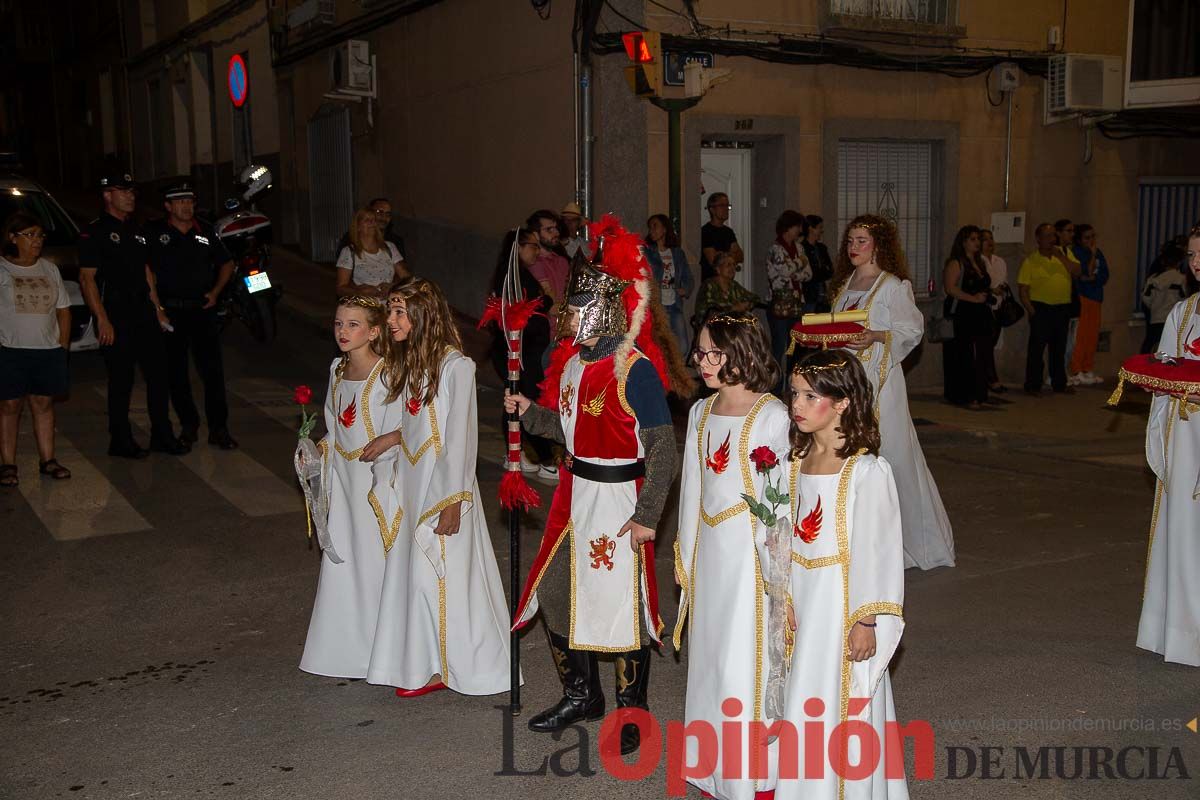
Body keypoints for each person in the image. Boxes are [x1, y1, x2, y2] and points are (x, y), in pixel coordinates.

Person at [508, 216, 678, 756]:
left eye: (577, 310)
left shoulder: (636, 370)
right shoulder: (577, 365)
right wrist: (530, 412)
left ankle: (634, 709)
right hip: (572, 497)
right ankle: (581, 693)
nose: (567, 317)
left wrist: (649, 515)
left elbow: (663, 451)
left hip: (619, 501)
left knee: (621, 606)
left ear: (604, 311)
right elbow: (571, 426)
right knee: (556, 594)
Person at [360, 276, 513, 695]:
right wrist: (391, 440)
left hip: (443, 488)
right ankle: (423, 660)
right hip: (412, 481)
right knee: (415, 574)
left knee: (443, 576)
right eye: (389, 311)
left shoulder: (456, 367)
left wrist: (450, 500)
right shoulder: (411, 363)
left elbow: (459, 437)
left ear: (421, 315)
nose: (390, 320)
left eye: (397, 312)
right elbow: (417, 425)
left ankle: (458, 665)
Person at [772, 349, 908, 799]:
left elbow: (878, 549)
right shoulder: (794, 464)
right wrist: (783, 591)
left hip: (842, 606)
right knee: (806, 701)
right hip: (804, 603)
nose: (797, 405)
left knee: (844, 705)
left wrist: (866, 620)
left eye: (811, 396)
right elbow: (783, 535)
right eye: (794, 394)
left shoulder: (867, 471)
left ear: (844, 402)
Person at [673, 312, 789, 800]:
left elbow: (781, 501)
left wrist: (779, 580)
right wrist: (687, 559)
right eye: (700, 352)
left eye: (714, 353)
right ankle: (712, 768)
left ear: (744, 353)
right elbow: (693, 491)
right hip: (711, 559)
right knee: (712, 659)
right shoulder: (701, 412)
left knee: (746, 660)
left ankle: (755, 775)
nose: (704, 362)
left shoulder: (772, 416)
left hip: (749, 562)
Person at [829, 215, 954, 570]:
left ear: (878, 246)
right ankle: (857, 541)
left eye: (861, 241)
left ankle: (913, 545)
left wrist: (876, 336)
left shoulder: (892, 286)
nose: (853, 248)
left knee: (892, 456)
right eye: (850, 241)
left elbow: (911, 330)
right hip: (847, 381)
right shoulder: (846, 283)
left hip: (880, 382)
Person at [299, 295, 395, 679]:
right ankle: (346, 648)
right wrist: (316, 451)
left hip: (375, 481)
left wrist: (389, 442)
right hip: (344, 480)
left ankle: (383, 648)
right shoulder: (337, 369)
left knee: (375, 562)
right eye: (339, 323)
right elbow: (336, 428)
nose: (343, 331)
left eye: (353, 325)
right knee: (346, 562)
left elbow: (412, 426)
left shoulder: (388, 373)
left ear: (374, 331)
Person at [77, 171, 188, 458]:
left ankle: (162, 435)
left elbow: (146, 272)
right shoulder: (96, 231)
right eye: (123, 191)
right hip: (116, 311)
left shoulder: (137, 231)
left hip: (143, 311)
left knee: (158, 375)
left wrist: (158, 310)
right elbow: (87, 278)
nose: (130, 196)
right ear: (107, 195)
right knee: (121, 380)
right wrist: (101, 318)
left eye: (132, 191)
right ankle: (120, 439)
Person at [1136, 224, 1200, 667]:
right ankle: (1182, 630)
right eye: (1193, 254)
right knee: (1183, 528)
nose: (1196, 262)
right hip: (1187, 435)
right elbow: (1167, 368)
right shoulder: (1183, 312)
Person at [144, 182, 238, 449]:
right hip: (172, 312)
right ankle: (189, 425)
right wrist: (157, 307)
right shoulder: (155, 232)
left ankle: (219, 429)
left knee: (212, 373)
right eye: (180, 202)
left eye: (190, 201)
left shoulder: (205, 231)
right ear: (168, 206)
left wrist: (216, 292)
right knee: (176, 373)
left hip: (202, 311)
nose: (187, 206)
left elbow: (227, 263)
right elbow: (145, 268)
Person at [0, 212, 72, 486]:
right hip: (10, 349)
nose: (36, 241)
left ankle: (48, 459)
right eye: (29, 235)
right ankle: (8, 464)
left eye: (40, 235)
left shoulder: (49, 269)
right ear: (12, 238)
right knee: (9, 405)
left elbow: (63, 310)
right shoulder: (2, 269)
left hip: (46, 349)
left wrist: (62, 347)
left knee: (43, 404)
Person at [487, 226, 558, 483]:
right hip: (519, 352)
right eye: (533, 246)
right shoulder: (512, 277)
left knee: (517, 399)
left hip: (527, 350)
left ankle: (515, 453)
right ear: (517, 247)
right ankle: (546, 458)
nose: (537, 251)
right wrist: (546, 301)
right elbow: (529, 309)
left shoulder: (520, 274)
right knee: (525, 400)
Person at [1018, 223, 1076, 395]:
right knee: (1037, 349)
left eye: (1053, 236)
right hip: (1041, 308)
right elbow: (1023, 289)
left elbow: (1078, 271)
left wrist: (1062, 257)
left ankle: (1059, 383)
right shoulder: (1031, 260)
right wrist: (1031, 310)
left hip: (1062, 307)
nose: (1051, 239)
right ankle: (1033, 384)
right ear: (1038, 238)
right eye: (1047, 236)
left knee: (1059, 348)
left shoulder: (1064, 254)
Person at [941, 225, 993, 409]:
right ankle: (963, 394)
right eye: (972, 239)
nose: (977, 243)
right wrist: (973, 298)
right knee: (963, 355)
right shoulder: (956, 262)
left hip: (979, 312)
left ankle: (979, 392)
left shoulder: (980, 263)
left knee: (981, 353)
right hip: (962, 312)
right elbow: (950, 288)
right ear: (963, 242)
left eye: (978, 239)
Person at [766, 210, 812, 379]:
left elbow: (808, 274)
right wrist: (800, 262)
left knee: (795, 346)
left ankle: (791, 382)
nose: (799, 230)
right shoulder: (775, 249)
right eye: (797, 226)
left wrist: (795, 270)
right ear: (788, 227)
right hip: (779, 304)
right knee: (779, 347)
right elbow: (785, 271)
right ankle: (775, 386)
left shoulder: (799, 247)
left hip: (796, 303)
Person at [644, 213, 694, 356]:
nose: (651, 230)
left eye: (655, 226)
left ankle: (674, 373)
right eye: (650, 228)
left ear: (664, 229)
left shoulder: (677, 253)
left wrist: (686, 289)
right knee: (658, 344)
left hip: (674, 304)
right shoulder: (648, 252)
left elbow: (688, 276)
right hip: (657, 305)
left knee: (683, 345)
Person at [1068, 224, 1109, 386]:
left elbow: (1104, 274)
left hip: (1096, 298)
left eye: (1093, 236)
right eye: (1087, 237)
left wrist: (1093, 278)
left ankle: (1087, 367)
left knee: (1092, 335)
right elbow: (1085, 273)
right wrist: (1091, 258)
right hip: (1083, 297)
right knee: (1081, 335)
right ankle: (1077, 369)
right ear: (1079, 239)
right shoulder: (1077, 252)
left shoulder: (1099, 253)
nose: (1091, 240)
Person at [335, 207, 407, 298]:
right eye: (367, 220)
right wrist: (360, 292)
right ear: (358, 227)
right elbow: (340, 288)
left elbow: (406, 277)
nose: (372, 223)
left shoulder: (389, 247)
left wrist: (393, 286)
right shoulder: (349, 252)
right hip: (365, 306)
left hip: (388, 305)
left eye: (374, 220)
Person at [1141, 241, 1188, 354]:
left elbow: (1146, 299)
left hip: (1155, 319)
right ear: (1179, 262)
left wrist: (1155, 307)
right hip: (1172, 321)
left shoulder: (1153, 279)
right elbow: (1185, 300)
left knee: (1149, 351)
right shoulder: (1181, 279)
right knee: (1171, 353)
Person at [527, 209, 571, 327]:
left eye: (556, 228)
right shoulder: (534, 263)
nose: (556, 233)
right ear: (536, 235)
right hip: (546, 333)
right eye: (549, 230)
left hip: (566, 329)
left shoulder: (561, 261)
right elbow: (551, 307)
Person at [695, 252, 761, 327]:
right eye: (728, 265)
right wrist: (733, 308)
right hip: (710, 326)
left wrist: (747, 305)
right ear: (718, 269)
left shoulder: (734, 285)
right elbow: (710, 310)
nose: (732, 268)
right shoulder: (709, 285)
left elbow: (755, 298)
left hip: (730, 327)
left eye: (734, 265)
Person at [336, 197, 409, 264]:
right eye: (379, 212)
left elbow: (401, 271)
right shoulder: (352, 237)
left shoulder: (394, 241)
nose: (384, 217)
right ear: (369, 212)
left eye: (388, 214)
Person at [980, 228, 1008, 393]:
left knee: (991, 343)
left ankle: (989, 377)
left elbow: (1003, 280)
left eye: (991, 239)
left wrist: (1000, 289)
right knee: (986, 345)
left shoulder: (1000, 261)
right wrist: (992, 290)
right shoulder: (979, 261)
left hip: (999, 307)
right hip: (985, 307)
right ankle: (991, 379)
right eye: (985, 239)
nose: (990, 243)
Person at [1054, 219, 1083, 375]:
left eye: (1073, 231)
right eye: (1068, 231)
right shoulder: (1052, 251)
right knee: (1060, 342)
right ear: (1058, 233)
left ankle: (1064, 373)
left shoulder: (1067, 251)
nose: (1072, 234)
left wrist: (1064, 258)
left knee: (1071, 342)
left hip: (1072, 301)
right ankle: (1057, 375)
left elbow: (1077, 270)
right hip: (1058, 303)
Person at [700, 192, 744, 282]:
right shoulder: (705, 231)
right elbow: (713, 260)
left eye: (727, 206)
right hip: (712, 282)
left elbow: (740, 256)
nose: (726, 209)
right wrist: (730, 255)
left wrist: (724, 255)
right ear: (712, 209)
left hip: (728, 282)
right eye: (722, 205)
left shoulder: (728, 232)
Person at [802, 214, 834, 313]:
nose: (821, 231)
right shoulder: (802, 248)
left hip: (823, 295)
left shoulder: (822, 248)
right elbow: (809, 274)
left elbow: (830, 271)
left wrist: (820, 273)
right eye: (819, 228)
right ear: (811, 228)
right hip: (809, 296)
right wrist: (821, 272)